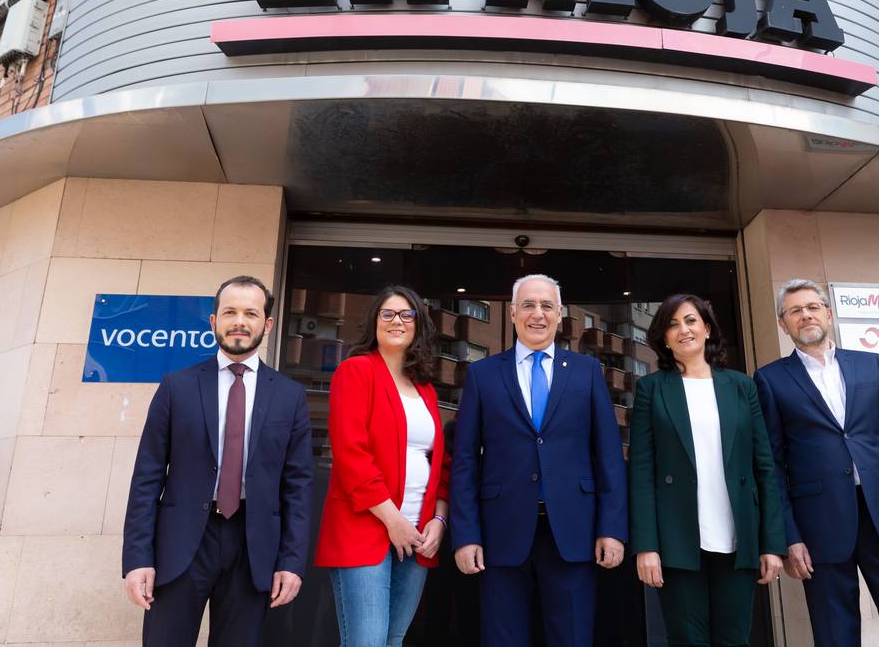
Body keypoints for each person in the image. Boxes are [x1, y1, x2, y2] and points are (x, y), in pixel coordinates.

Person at [122, 275, 314, 646]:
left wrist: (291, 562)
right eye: (229, 312)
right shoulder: (176, 386)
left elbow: (299, 487)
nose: (239, 321)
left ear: (267, 324)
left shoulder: (290, 396)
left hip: (253, 547)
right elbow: (146, 478)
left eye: (250, 313)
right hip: (180, 545)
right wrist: (137, 557)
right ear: (214, 322)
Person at [754, 279, 879, 647]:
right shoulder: (770, 380)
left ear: (828, 313)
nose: (805, 315)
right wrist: (789, 536)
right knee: (836, 635)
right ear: (783, 324)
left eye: (812, 307)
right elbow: (772, 465)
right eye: (794, 311)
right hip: (818, 525)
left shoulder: (870, 365)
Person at [450, 273, 628, 647]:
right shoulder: (482, 374)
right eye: (528, 304)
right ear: (513, 312)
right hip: (501, 532)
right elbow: (465, 460)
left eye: (547, 305)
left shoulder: (587, 372)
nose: (538, 313)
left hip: (574, 532)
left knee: (573, 638)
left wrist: (611, 528)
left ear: (560, 314)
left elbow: (609, 457)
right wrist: (466, 535)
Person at [629, 293, 785, 647]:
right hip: (676, 538)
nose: (683, 330)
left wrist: (771, 544)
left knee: (734, 639)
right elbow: (641, 472)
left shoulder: (742, 386)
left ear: (707, 329)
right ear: (663, 338)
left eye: (690, 320)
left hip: (737, 534)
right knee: (686, 639)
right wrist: (646, 546)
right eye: (672, 324)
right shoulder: (651, 389)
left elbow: (764, 467)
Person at [315, 285, 451, 647]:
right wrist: (394, 522)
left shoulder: (425, 388)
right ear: (374, 322)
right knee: (367, 642)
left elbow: (439, 461)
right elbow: (351, 455)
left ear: (418, 326)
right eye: (387, 314)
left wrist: (439, 519)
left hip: (418, 536)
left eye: (407, 315)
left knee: (393, 640)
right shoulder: (356, 371)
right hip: (365, 528)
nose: (397, 322)